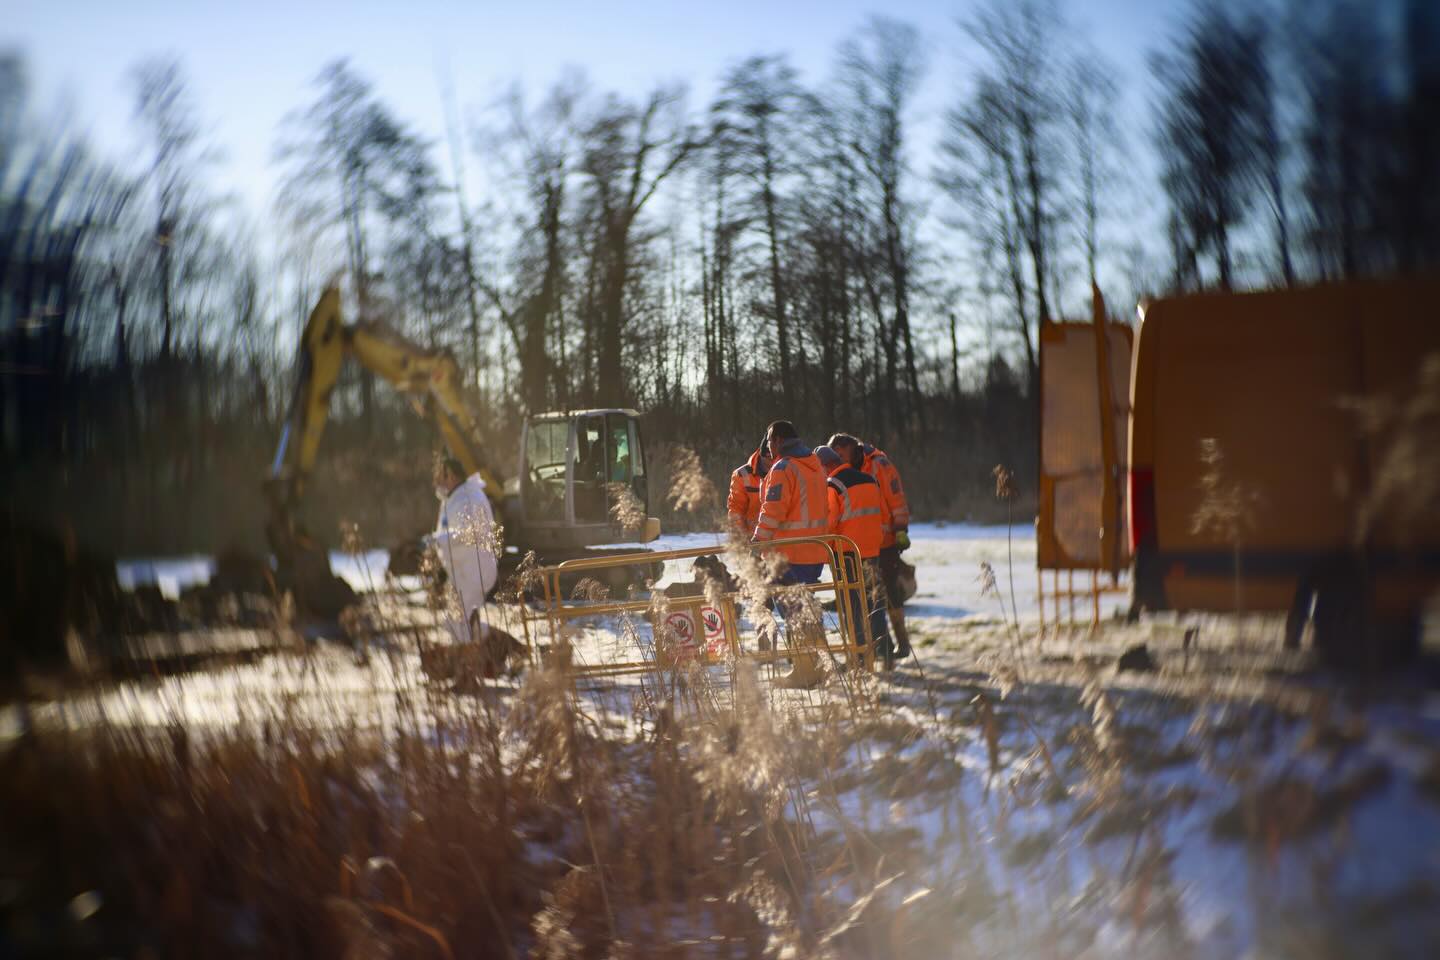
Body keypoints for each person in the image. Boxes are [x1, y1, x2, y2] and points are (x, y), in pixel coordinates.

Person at [752, 420, 831, 688]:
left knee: (795, 612)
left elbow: (773, 510)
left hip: (788, 554)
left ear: (777, 440)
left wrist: (758, 541)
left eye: (769, 441)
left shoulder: (783, 468)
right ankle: (817, 666)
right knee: (807, 609)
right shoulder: (815, 464)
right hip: (815, 551)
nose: (768, 447)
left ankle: (805, 671)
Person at [828, 433, 913, 660]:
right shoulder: (845, 472)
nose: (839, 460)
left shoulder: (878, 464)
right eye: (836, 456)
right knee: (872, 595)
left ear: (853, 449)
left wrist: (901, 528)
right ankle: (882, 648)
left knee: (889, 591)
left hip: (887, 539)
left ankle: (902, 643)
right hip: (865, 543)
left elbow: (896, 498)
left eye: (841, 454)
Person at [815, 445, 894, 669]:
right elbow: (883, 514)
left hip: (846, 554)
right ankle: (885, 654)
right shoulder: (869, 479)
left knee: (852, 608)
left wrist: (824, 551)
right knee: (875, 603)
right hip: (872, 550)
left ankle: (859, 659)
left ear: (825, 466)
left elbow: (830, 522)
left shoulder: (833, 485)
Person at [430, 456, 499, 645]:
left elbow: (468, 532)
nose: (436, 482)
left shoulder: (469, 498)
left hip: (474, 572)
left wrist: (437, 540)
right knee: (460, 622)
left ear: (451, 476)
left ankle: (476, 653)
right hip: (462, 573)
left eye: (439, 476)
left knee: (458, 623)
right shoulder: (454, 498)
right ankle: (489, 648)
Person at [726, 436, 773, 537]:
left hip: (781, 538)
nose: (772, 461)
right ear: (761, 454)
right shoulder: (742, 475)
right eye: (769, 457)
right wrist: (741, 538)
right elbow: (736, 510)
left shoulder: (787, 470)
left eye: (775, 458)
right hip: (752, 537)